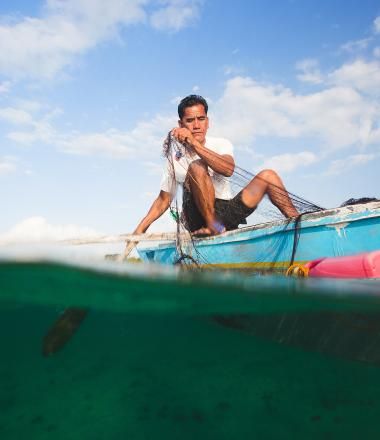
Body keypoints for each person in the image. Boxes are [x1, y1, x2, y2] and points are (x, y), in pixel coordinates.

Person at [132, 94, 298, 238]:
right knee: (197, 167)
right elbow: (163, 200)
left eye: (201, 119)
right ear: (181, 124)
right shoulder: (174, 158)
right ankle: (213, 226)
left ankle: (301, 226)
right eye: (190, 121)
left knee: (268, 176)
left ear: (208, 122)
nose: (196, 125)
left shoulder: (221, 144)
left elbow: (228, 169)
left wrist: (193, 143)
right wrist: (139, 231)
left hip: (226, 213)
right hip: (196, 217)